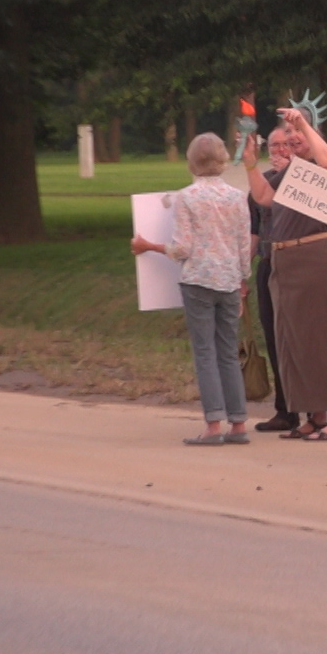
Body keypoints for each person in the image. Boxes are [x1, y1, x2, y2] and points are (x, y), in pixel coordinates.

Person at [242, 102, 327, 441]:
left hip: (318, 257)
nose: (292, 140)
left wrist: (303, 126)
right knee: (297, 340)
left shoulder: (319, 167)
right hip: (287, 261)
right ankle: (317, 413)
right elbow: (263, 195)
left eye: (297, 135)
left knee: (326, 337)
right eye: (287, 136)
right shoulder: (291, 171)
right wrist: (250, 163)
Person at [132, 133, 253, 446]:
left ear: (192, 161)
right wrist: (243, 281)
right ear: (223, 159)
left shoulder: (186, 197)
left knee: (204, 352)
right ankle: (238, 423)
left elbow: (182, 247)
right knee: (228, 352)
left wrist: (149, 245)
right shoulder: (238, 196)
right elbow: (244, 245)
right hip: (228, 281)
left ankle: (213, 424)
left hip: (198, 280)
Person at [250, 125, 301, 432]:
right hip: (268, 263)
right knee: (274, 336)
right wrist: (241, 271)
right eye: (274, 147)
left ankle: (314, 409)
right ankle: (285, 409)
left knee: (300, 338)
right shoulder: (261, 185)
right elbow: (254, 231)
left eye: (286, 146)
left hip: (298, 263)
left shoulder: (306, 179)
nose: (280, 152)